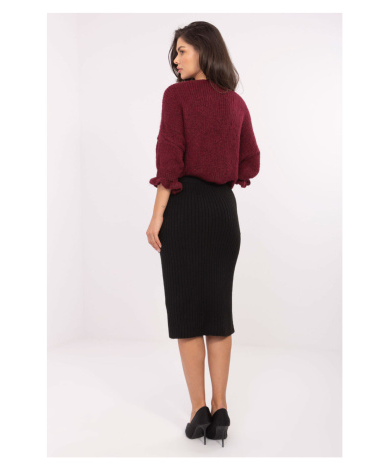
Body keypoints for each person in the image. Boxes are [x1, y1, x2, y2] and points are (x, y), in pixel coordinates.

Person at [146, 21, 260, 447]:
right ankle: (221, 407)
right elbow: (250, 161)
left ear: (204, 49)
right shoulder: (236, 102)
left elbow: (169, 158)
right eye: (175, 53)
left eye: (182, 50)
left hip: (184, 207)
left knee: (187, 313)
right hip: (223, 213)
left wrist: (157, 217)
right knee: (217, 312)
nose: (176, 60)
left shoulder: (176, 96)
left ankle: (198, 410)